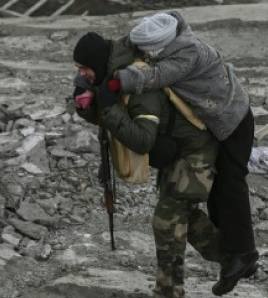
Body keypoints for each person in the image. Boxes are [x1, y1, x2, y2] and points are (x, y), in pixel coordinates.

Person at [108, 12, 258, 296]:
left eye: (148, 51)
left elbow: (154, 76)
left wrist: (112, 84)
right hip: (210, 124)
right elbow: (128, 44)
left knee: (231, 185)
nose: (144, 54)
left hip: (233, 120)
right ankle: (233, 256)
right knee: (211, 195)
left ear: (162, 45)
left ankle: (243, 254)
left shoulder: (190, 53)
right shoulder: (164, 29)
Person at [72, 32, 225, 298]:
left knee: (166, 220)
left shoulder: (135, 81)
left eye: (84, 69)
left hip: (196, 149)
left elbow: (141, 140)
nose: (82, 74)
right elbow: (118, 119)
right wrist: (88, 105)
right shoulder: (109, 78)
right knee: (182, 214)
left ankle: (168, 292)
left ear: (97, 63)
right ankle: (234, 256)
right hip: (177, 150)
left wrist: (107, 107)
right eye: (79, 70)